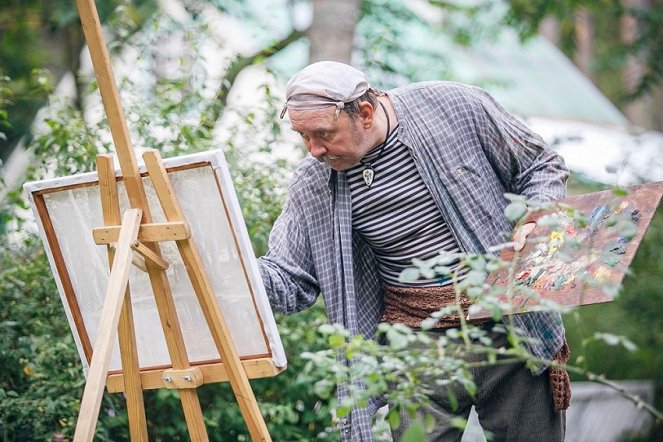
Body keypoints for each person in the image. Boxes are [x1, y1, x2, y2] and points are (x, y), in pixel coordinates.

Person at [258, 61, 570, 441]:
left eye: (323, 134)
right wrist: (227, 268)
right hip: (417, 345)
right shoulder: (314, 181)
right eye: (302, 136)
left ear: (366, 113)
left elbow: (541, 164)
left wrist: (537, 216)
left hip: (511, 325)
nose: (314, 150)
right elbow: (291, 279)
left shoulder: (454, 106)